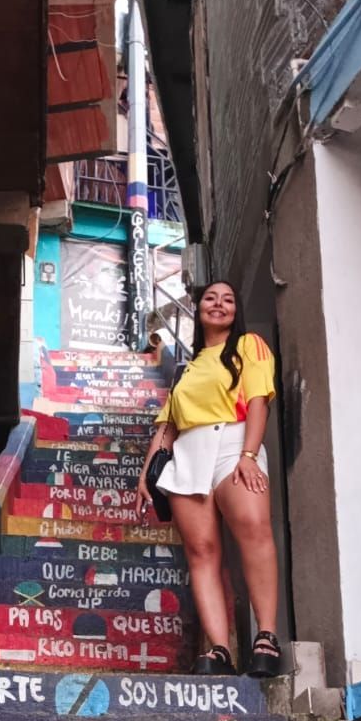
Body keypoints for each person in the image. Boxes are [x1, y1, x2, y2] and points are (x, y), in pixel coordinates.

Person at [135, 280, 281, 678]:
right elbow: (167, 427)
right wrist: (147, 475)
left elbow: (256, 402)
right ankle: (220, 650)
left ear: (236, 310)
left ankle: (266, 636)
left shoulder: (249, 345)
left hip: (234, 441)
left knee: (254, 527)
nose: (219, 305)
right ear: (198, 310)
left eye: (228, 299)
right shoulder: (187, 367)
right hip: (188, 456)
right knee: (202, 554)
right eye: (210, 299)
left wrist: (250, 454)